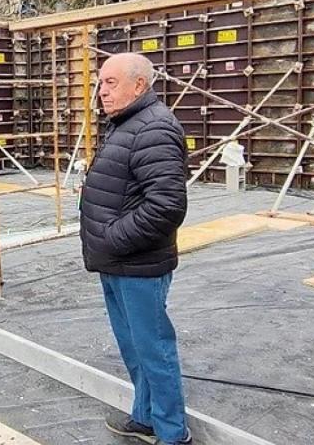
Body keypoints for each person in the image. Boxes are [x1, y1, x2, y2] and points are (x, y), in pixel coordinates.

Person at [79, 53, 191, 445]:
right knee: (134, 348)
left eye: (110, 82)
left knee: (154, 350)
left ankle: (173, 434)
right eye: (101, 82)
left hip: (138, 264)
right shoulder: (127, 124)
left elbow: (166, 206)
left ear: (139, 85)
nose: (101, 91)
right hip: (116, 262)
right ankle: (145, 417)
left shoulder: (155, 129)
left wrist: (111, 237)